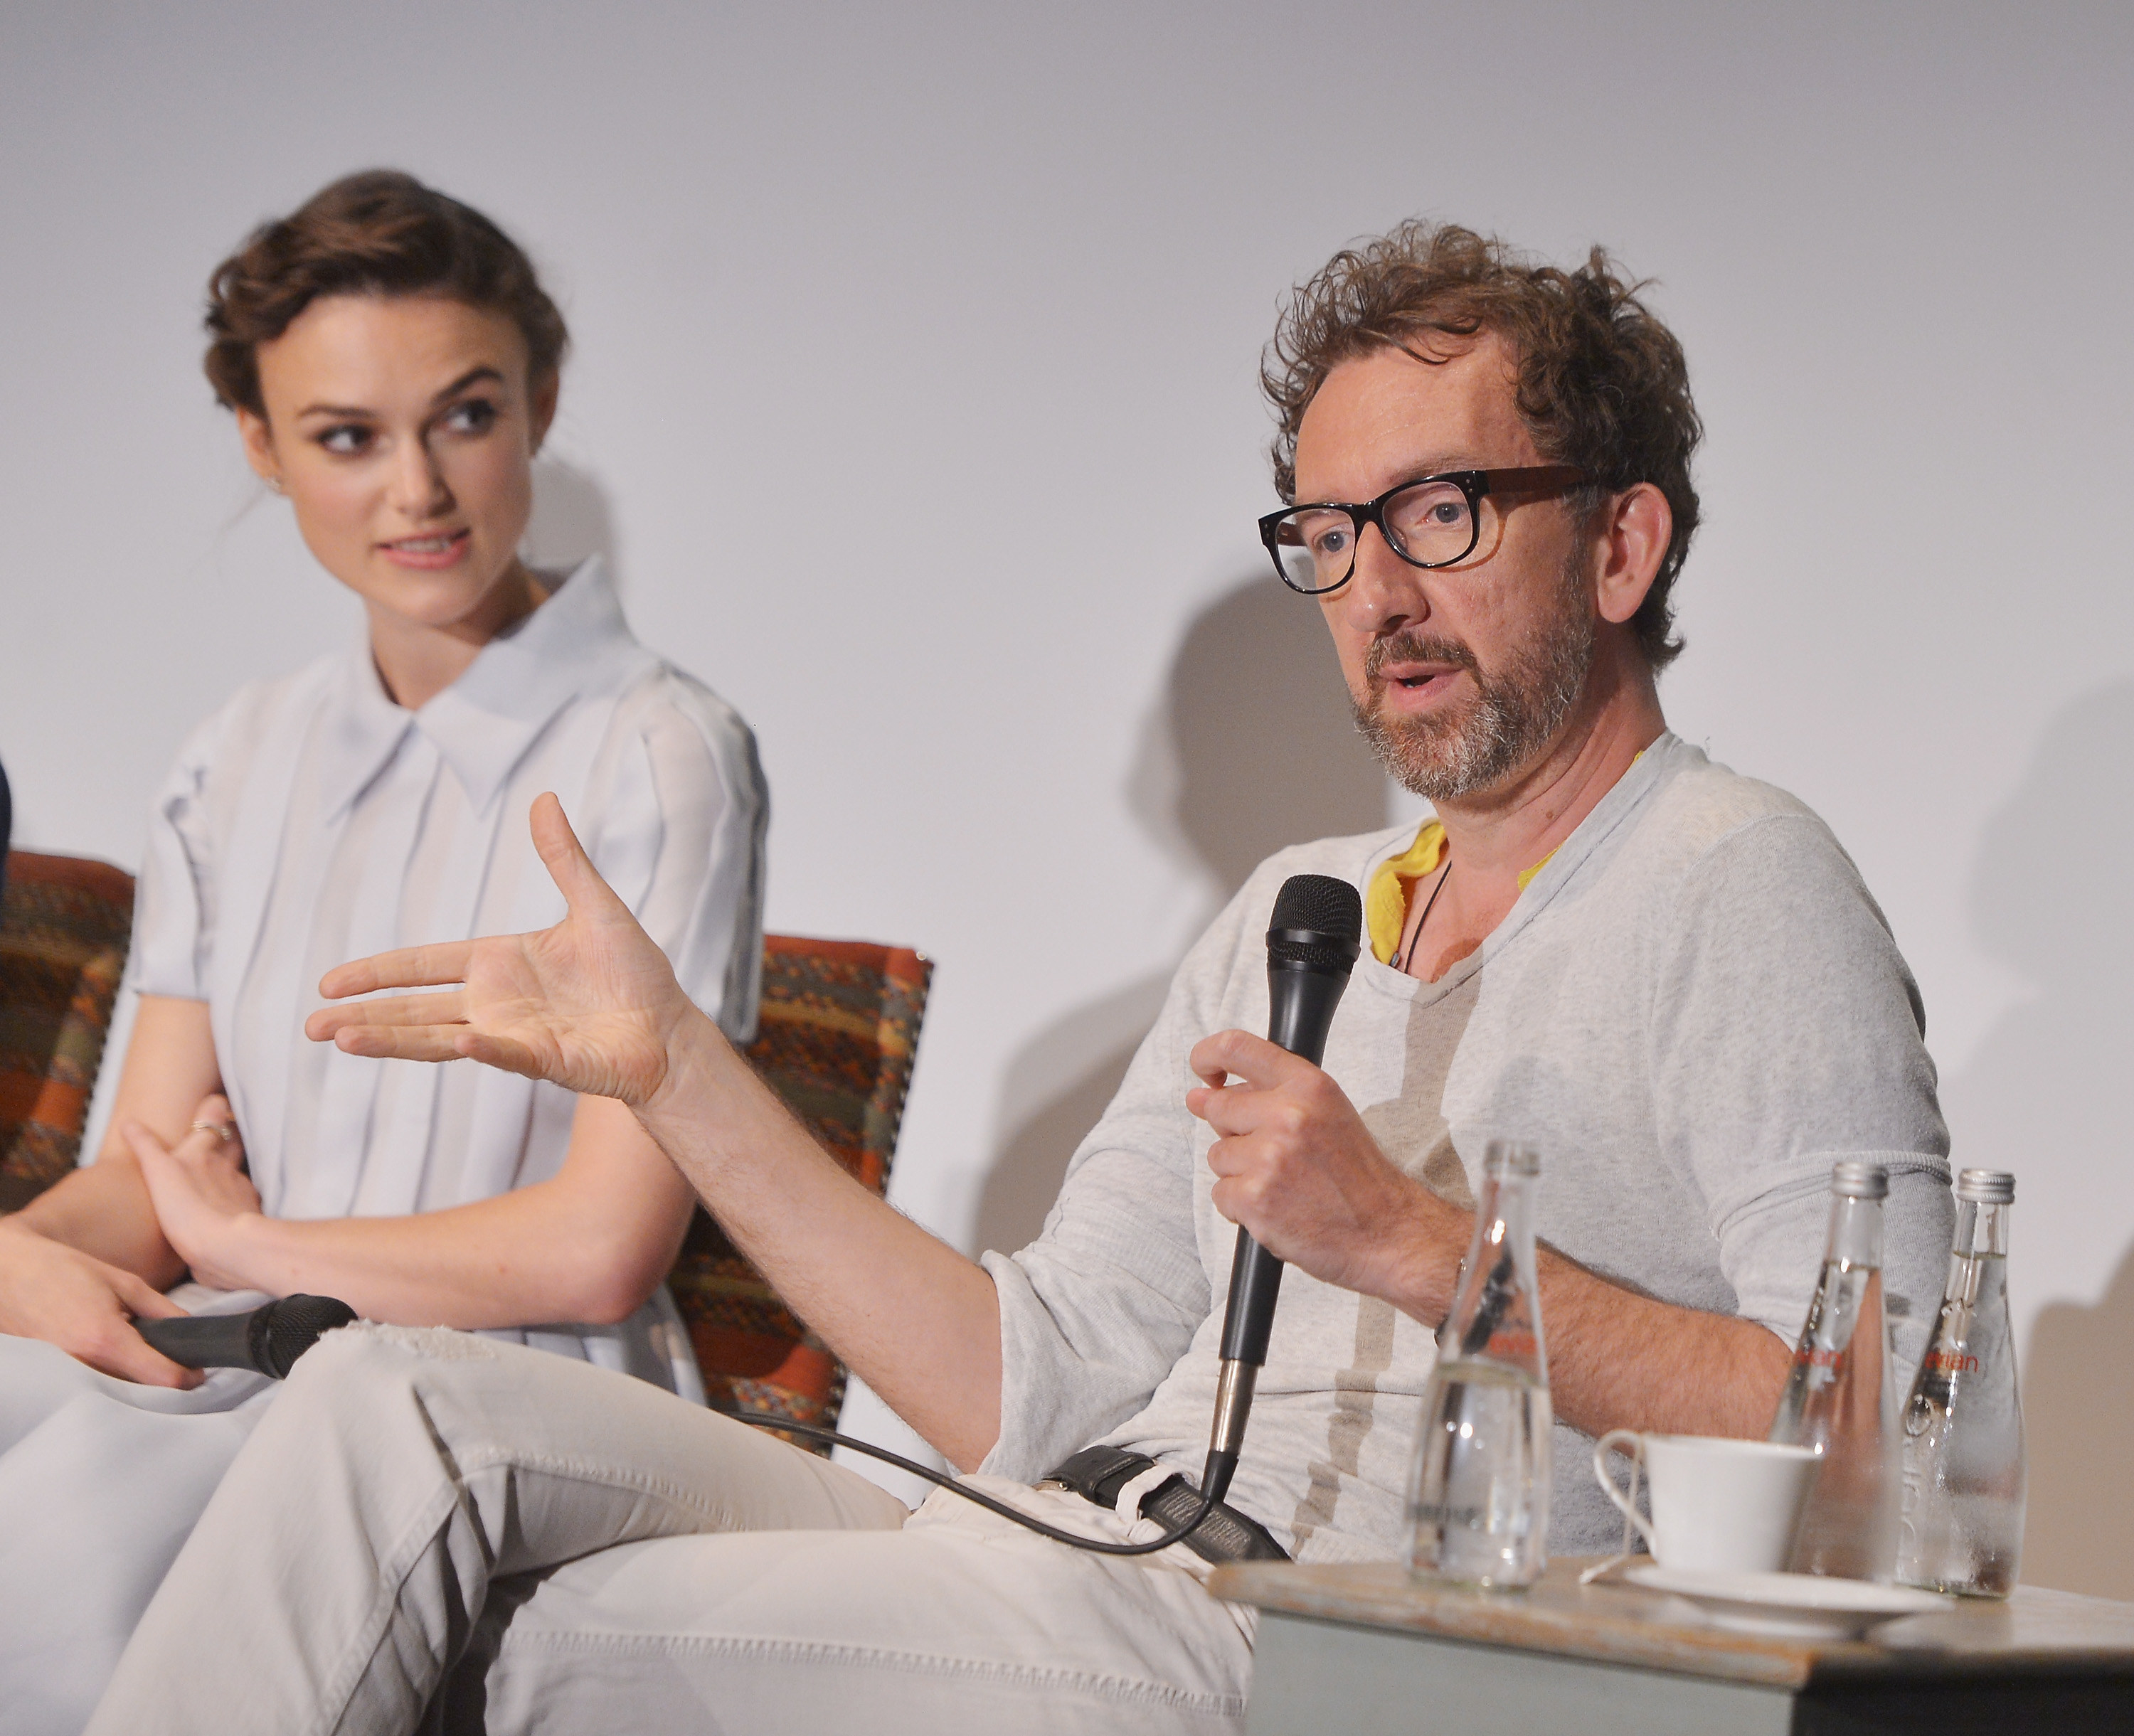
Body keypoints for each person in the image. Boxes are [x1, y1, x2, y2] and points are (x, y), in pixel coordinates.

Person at [92, 222, 1951, 1736]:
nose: (1374, 592)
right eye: (1329, 534)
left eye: (1440, 512)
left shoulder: (1739, 885)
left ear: (1622, 541)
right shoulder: (1302, 903)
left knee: (558, 1642)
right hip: (1044, 1531)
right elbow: (1027, 1377)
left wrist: (1414, 1249)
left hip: (1280, 1631)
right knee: (386, 1400)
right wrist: (671, 1066)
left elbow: (1905, 1439)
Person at [0, 171, 766, 1732]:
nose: (418, 487)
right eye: (348, 437)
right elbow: (147, 1176)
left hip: (521, 1395)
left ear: (540, 401)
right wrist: (23, 1258)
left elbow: (596, 1248)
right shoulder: (234, 756)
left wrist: (250, 1248)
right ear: (263, 448)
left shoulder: (661, 751)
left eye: (465, 416)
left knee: (66, 1544)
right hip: (247, 1348)